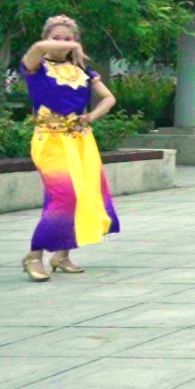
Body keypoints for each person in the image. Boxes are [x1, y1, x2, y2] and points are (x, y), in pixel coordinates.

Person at [17, 15, 120, 281]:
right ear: (46, 38)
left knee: (82, 194)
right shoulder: (35, 65)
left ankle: (61, 255)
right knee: (63, 195)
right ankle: (33, 256)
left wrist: (91, 116)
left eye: (68, 39)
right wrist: (72, 46)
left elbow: (109, 98)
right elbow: (38, 48)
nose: (62, 43)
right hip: (50, 139)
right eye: (56, 38)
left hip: (81, 139)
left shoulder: (82, 70)